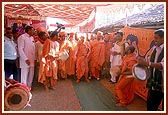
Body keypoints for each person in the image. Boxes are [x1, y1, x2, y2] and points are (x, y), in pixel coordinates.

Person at [137, 29, 164, 111]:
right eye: (154, 38)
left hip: (163, 83)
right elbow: (148, 60)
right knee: (151, 106)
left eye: (156, 38)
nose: (154, 40)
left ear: (164, 38)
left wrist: (147, 63)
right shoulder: (154, 49)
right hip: (154, 83)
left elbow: (162, 65)